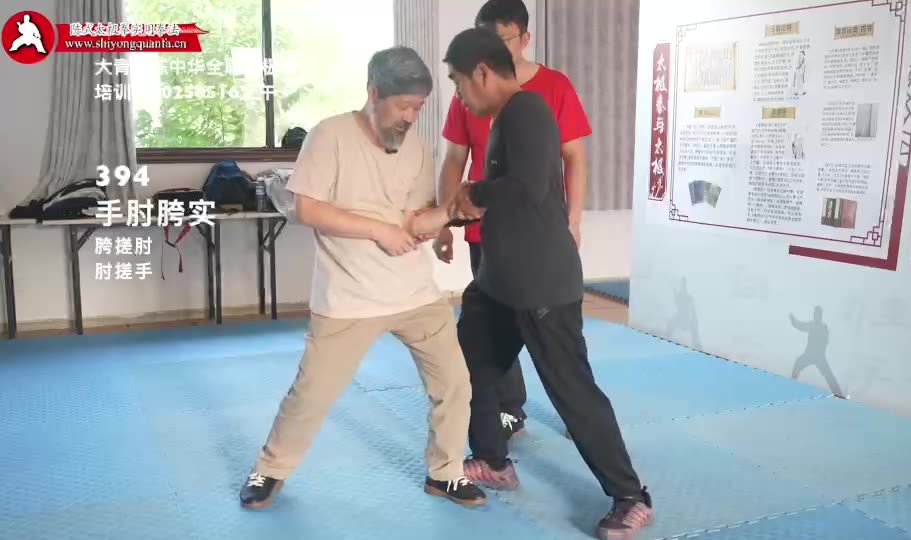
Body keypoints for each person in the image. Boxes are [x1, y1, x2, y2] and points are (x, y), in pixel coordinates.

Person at [410, 28, 654, 540]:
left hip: (542, 285)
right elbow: (505, 194)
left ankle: (631, 496)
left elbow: (527, 187)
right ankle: (493, 461)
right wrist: (460, 210)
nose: (459, 94)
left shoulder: (529, 111)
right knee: (468, 365)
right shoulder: (505, 117)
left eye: (457, 81)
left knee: (572, 392)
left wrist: (473, 194)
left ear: (481, 72)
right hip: (499, 282)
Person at [238, 46, 486, 510]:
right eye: (403, 106)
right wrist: (378, 230)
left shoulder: (418, 149)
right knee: (312, 394)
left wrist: (451, 213)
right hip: (348, 296)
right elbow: (307, 208)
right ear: (374, 93)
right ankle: (270, 469)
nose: (410, 117)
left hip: (415, 293)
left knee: (455, 384)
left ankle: (446, 472)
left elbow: (413, 220)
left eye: (418, 108)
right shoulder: (329, 136)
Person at [434, 0, 592, 440]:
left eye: (501, 38)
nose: (492, 47)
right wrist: (446, 222)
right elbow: (454, 160)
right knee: (489, 328)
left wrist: (574, 219)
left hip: (538, 236)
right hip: (485, 230)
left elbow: (574, 157)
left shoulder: (552, 89)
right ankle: (504, 415)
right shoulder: (468, 89)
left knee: (553, 337)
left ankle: (578, 418)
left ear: (524, 38)